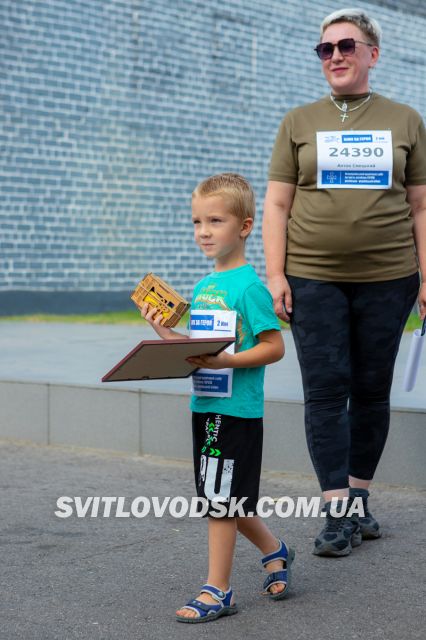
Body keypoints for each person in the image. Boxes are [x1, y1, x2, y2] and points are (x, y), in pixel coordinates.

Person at [263, 8, 426, 558]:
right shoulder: (298, 121)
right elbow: (278, 204)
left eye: (347, 46)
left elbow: (421, 205)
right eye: (325, 48)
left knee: (373, 391)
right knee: (327, 391)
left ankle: (359, 500)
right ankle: (337, 511)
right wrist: (277, 272)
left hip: (389, 279)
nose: (335, 55)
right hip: (313, 279)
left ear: (372, 54)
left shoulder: (405, 120)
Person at [141, 173, 294, 622]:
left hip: (236, 411)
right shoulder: (207, 286)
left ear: (245, 227)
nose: (203, 231)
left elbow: (275, 346)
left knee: (220, 500)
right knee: (218, 496)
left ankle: (218, 589)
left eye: (215, 220)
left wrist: (226, 362)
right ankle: (275, 549)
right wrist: (164, 331)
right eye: (196, 222)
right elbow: (199, 349)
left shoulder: (248, 287)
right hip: (205, 406)